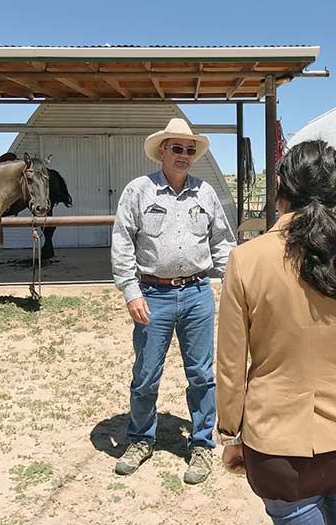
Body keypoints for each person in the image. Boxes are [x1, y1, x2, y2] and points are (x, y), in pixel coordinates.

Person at [216, 140, 336, 524]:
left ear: (281, 188)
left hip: (276, 443)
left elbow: (230, 364)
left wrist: (231, 434)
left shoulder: (246, 259)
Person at [111, 118, 235, 484]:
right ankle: (139, 438)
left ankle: (201, 444)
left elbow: (222, 243)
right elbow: (122, 241)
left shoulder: (206, 194)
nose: (184, 155)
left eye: (189, 150)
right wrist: (131, 290)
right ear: (162, 151)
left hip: (197, 294)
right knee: (146, 374)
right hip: (153, 294)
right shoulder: (139, 191)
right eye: (177, 148)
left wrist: (237, 282)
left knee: (201, 374)